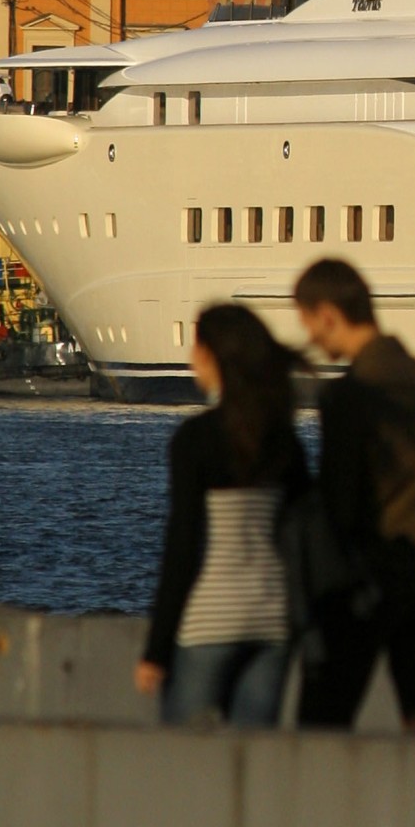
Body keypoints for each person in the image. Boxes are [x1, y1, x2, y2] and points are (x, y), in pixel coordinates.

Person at [293, 258, 415, 734]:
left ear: (329, 316)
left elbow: (340, 502)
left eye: (310, 326)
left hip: (365, 590)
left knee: (320, 730)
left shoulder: (350, 397)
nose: (312, 341)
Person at [135, 304, 309, 726]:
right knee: (256, 761)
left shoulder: (195, 440)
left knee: (186, 766)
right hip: (272, 621)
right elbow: (298, 536)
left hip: (209, 621)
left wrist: (156, 650)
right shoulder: (283, 440)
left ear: (213, 356)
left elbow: (184, 546)